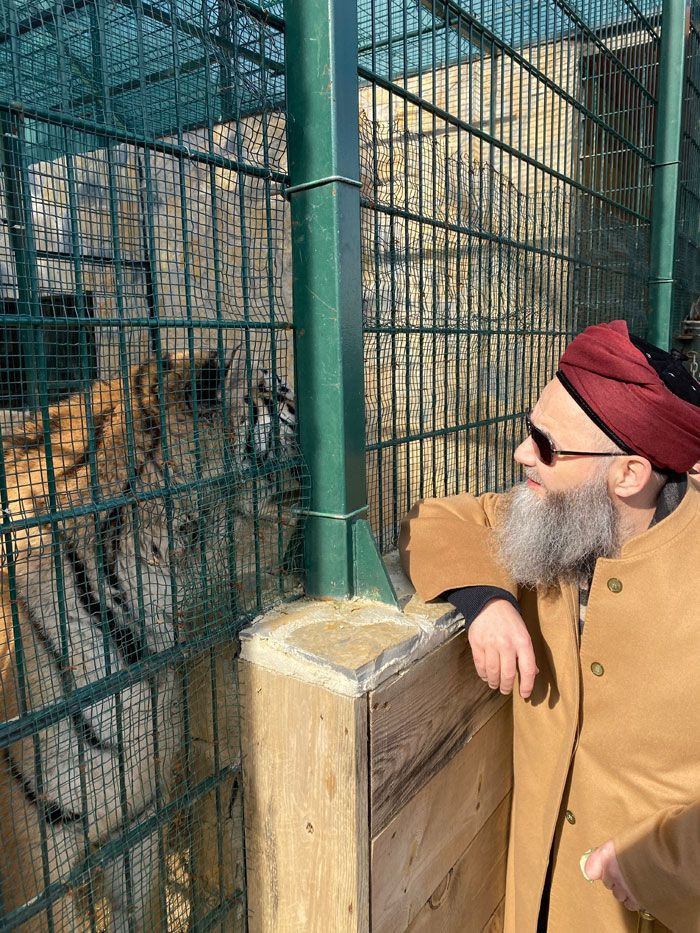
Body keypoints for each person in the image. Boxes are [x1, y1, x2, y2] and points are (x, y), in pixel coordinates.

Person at [399, 320, 700, 933]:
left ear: (628, 474)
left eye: (546, 444)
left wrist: (664, 863)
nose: (521, 453)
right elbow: (439, 519)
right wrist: (487, 601)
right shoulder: (561, 520)